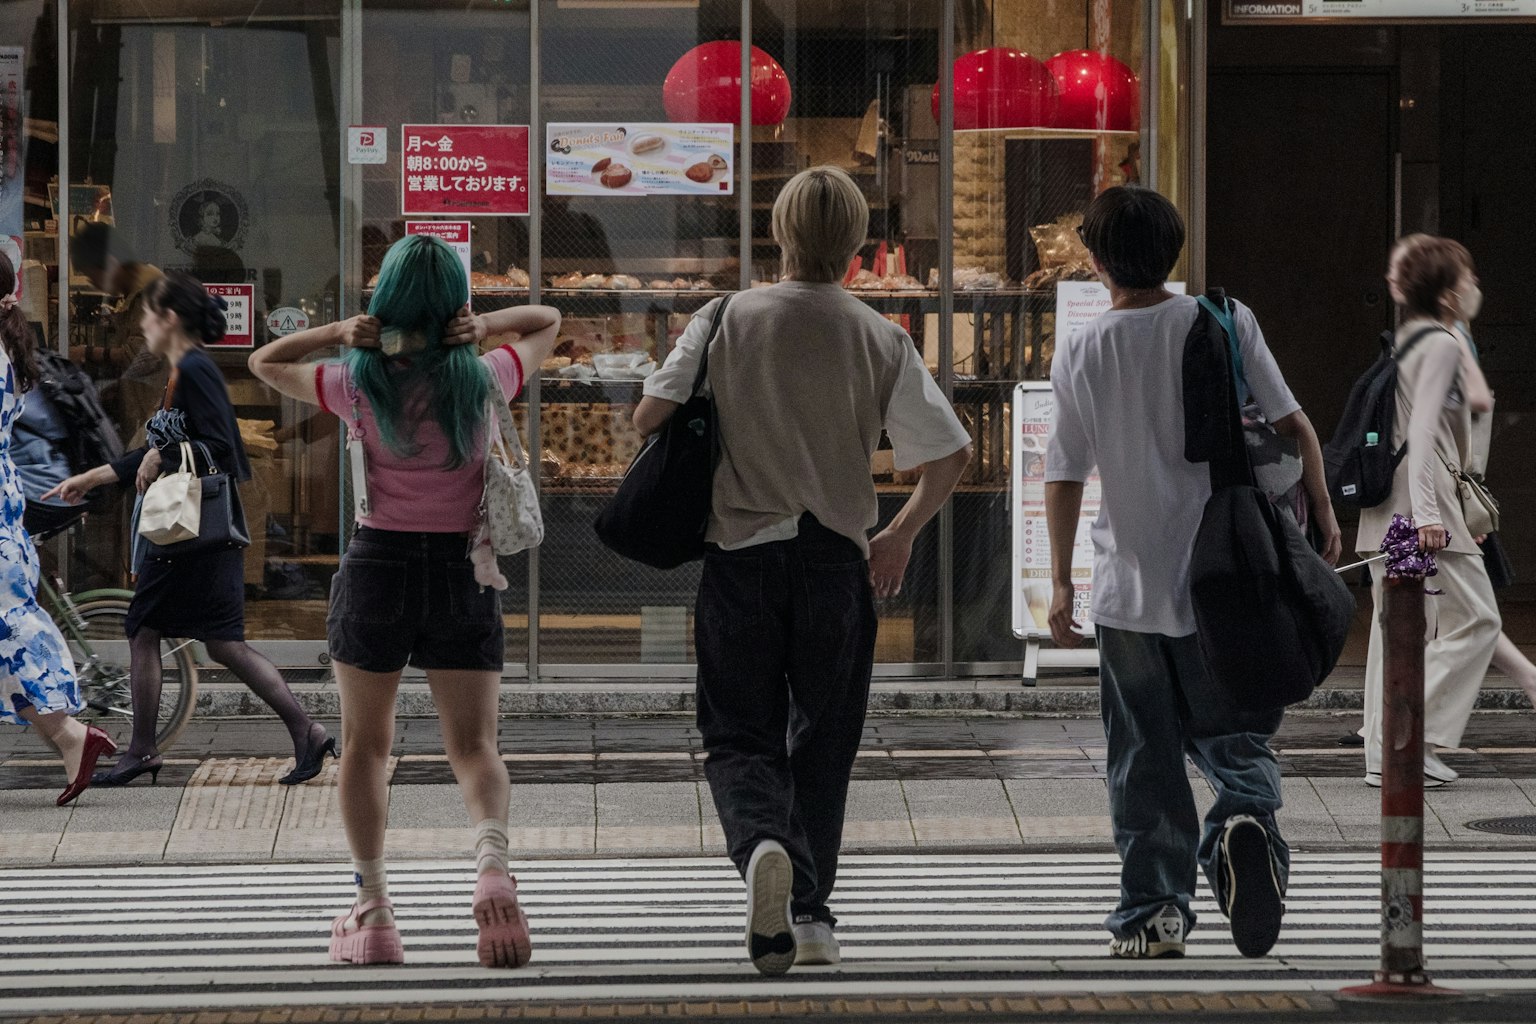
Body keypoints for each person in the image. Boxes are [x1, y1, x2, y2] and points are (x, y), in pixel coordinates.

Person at [633, 166, 972, 976]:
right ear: (857, 245)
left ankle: (759, 850)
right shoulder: (879, 333)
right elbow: (952, 454)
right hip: (835, 562)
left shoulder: (724, 317)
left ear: (778, 234)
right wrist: (897, 535)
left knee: (739, 732)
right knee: (825, 740)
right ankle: (812, 916)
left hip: (739, 561)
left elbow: (650, 417)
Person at [248, 234, 560, 969]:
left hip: (377, 568)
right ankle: (490, 860)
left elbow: (265, 362)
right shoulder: (486, 377)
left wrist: (338, 330)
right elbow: (546, 319)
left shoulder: (355, 382)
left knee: (366, 748)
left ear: (384, 303)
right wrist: (484, 326)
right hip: (464, 569)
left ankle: (375, 909)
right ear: (455, 305)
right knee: (475, 747)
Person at [1046, 186, 1341, 960]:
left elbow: (1065, 473)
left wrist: (1063, 582)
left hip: (1127, 591)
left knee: (1142, 756)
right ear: (1172, 251)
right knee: (1237, 734)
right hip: (1225, 583)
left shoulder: (1083, 346)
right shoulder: (1222, 318)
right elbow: (1295, 425)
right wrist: (1323, 514)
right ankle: (1243, 821)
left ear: (1100, 259)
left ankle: (1154, 913)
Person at [44, 271, 332, 788]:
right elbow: (165, 450)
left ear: (170, 318)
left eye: (149, 314)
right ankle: (306, 732)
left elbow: (220, 449)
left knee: (144, 630)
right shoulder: (182, 371)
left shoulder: (194, 370)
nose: (143, 324)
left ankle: (142, 750)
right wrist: (95, 475)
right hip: (200, 534)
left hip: (186, 533)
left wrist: (164, 452)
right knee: (223, 643)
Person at [1355, 235, 1499, 788]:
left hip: (1389, 507)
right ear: (1445, 295)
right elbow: (1420, 434)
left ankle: (1386, 753)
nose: (1475, 288)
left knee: (1392, 634)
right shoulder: (1439, 343)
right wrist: (1429, 517)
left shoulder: (1408, 339)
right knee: (1479, 619)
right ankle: (1407, 722)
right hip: (1422, 505)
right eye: (1467, 280)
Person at [0, 256, 116, 806]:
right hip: (7, 504)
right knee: (8, 634)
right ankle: (73, 738)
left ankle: (73, 735)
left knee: (12, 631)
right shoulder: (10, 350)